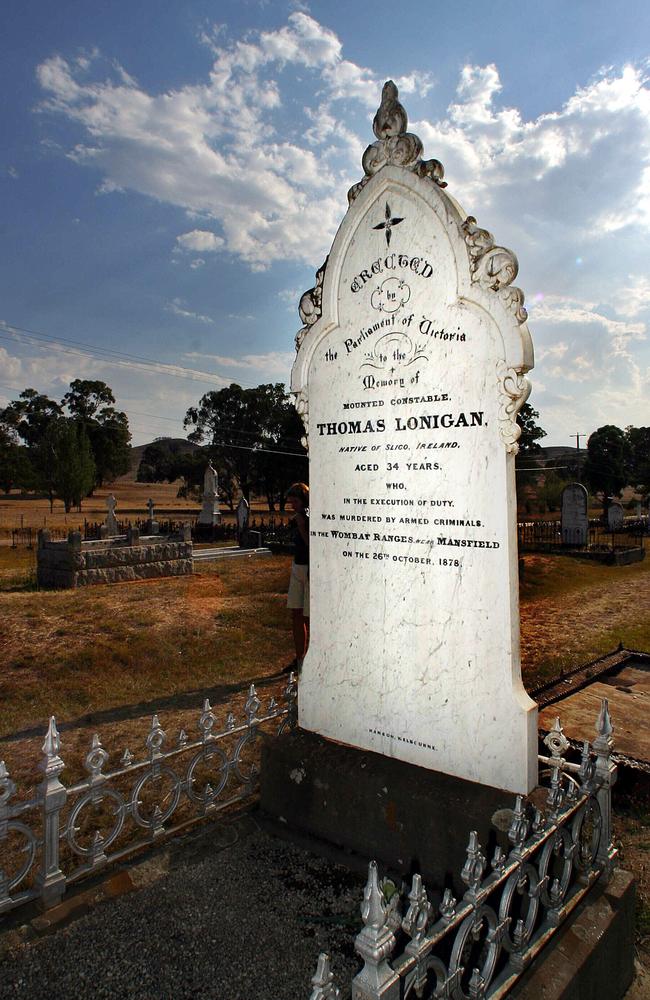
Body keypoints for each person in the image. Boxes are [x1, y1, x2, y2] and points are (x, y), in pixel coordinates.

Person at [285, 482, 309, 672]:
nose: (292, 505)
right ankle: (299, 657)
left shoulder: (309, 517)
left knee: (308, 616)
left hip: (309, 568)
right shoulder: (298, 516)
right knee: (296, 613)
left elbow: (311, 543)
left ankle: (309, 657)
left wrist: (302, 524)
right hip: (298, 566)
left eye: (294, 501)